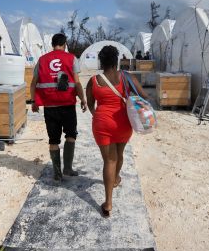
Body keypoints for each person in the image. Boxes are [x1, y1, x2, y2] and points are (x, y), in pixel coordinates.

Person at [86, 45, 148, 218]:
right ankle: (116, 179)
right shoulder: (127, 76)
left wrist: (98, 116)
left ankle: (108, 203)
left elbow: (90, 104)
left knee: (108, 160)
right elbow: (145, 96)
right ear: (116, 61)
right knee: (119, 154)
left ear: (101, 61)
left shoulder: (94, 80)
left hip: (102, 123)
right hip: (123, 123)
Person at [30, 33, 87, 181]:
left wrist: (34, 101)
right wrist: (83, 99)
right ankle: (67, 169)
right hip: (68, 105)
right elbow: (77, 82)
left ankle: (57, 174)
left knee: (53, 140)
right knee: (71, 136)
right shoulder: (72, 58)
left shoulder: (42, 60)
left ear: (52, 44)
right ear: (65, 44)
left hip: (50, 107)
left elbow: (33, 83)